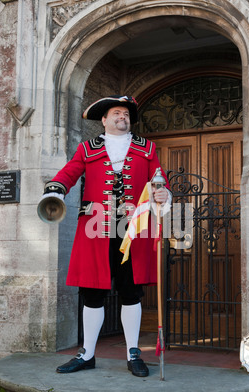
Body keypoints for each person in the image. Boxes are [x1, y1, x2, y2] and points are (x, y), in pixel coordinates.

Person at [40, 95, 170, 377]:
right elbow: (70, 171)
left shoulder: (146, 148)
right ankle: (87, 353)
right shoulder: (87, 148)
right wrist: (56, 188)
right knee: (92, 293)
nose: (122, 117)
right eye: (116, 113)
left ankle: (133, 352)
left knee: (131, 291)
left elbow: (158, 178)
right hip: (95, 229)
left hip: (132, 228)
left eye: (125, 113)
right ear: (104, 119)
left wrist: (163, 192)